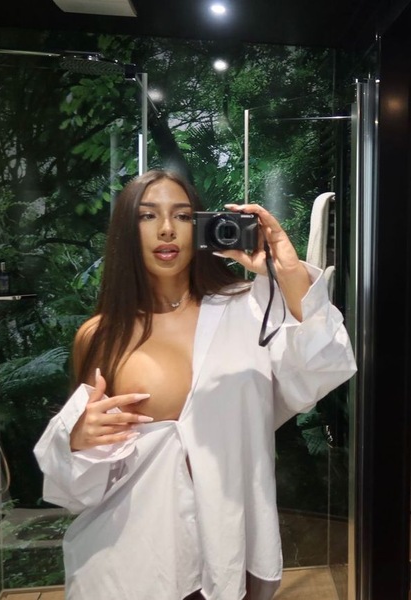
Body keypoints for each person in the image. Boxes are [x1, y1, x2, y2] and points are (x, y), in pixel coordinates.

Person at [34, 169, 357, 600]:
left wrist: (288, 270)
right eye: (148, 215)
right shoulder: (102, 335)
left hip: (230, 546)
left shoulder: (248, 310)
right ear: (126, 231)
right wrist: (76, 438)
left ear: (200, 226)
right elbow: (78, 482)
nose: (167, 228)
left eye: (183, 216)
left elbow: (323, 366)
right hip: (130, 558)